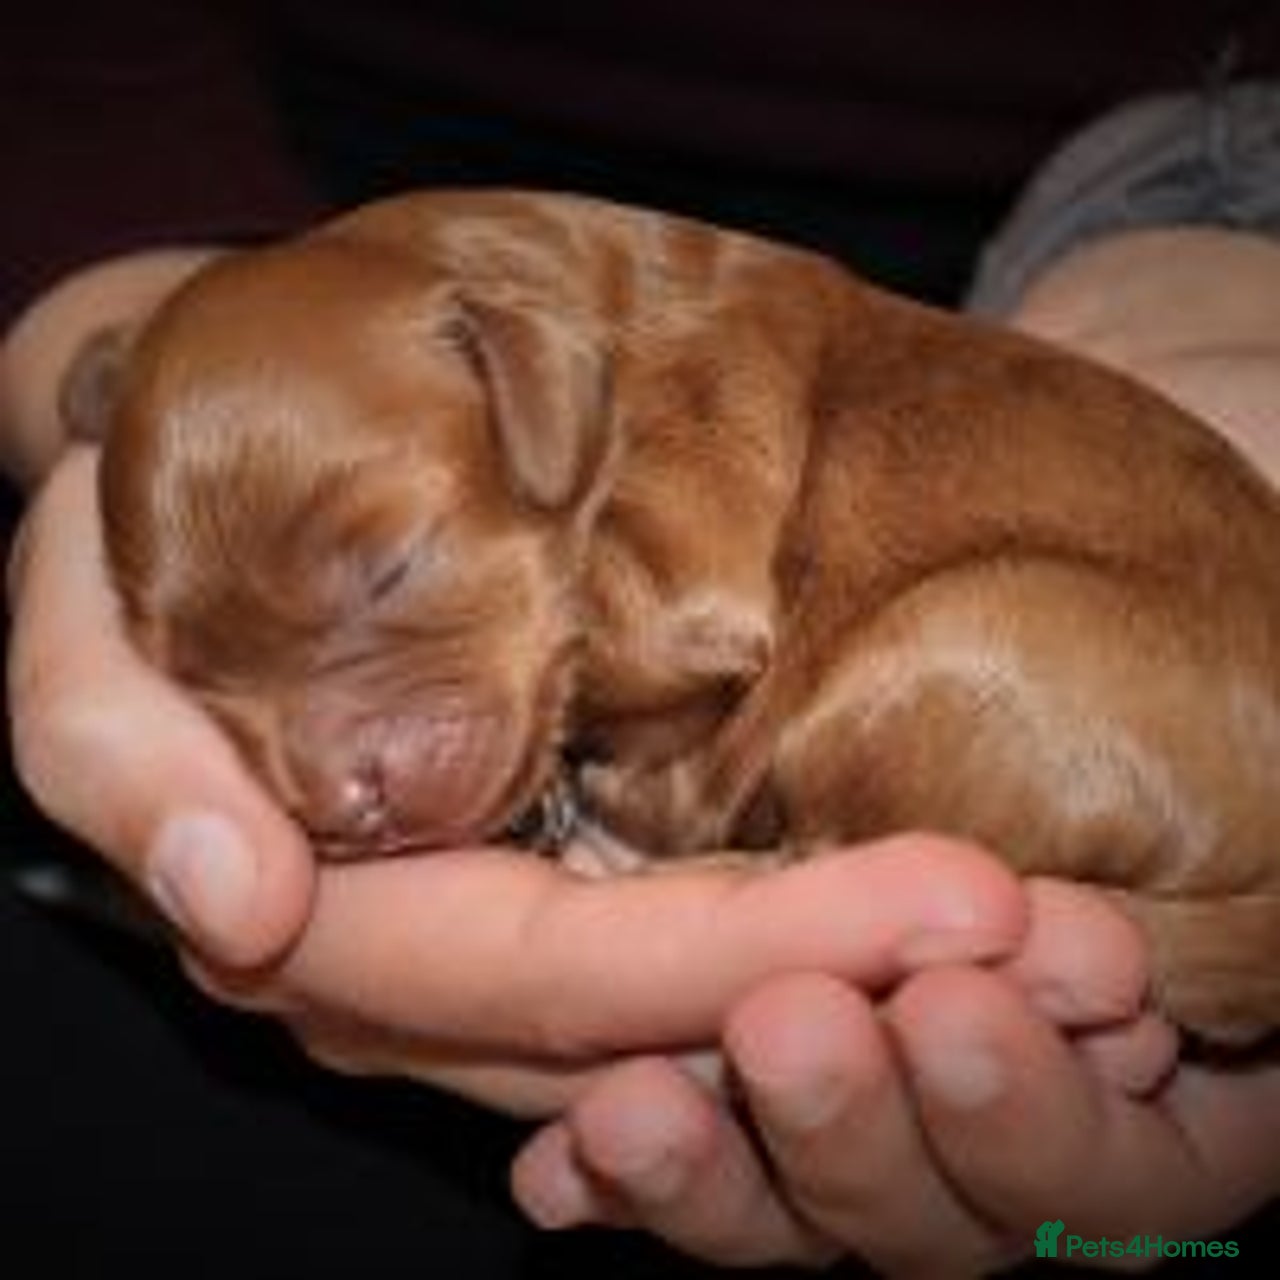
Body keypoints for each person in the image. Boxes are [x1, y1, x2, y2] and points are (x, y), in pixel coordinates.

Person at [3, 3, 1279, 1275]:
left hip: (1108, 539)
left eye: (393, 573)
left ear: (529, 380)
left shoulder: (698, 394)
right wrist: (93, 316)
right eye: (212, 672)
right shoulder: (463, 375)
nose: (323, 774)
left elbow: (711, 628)